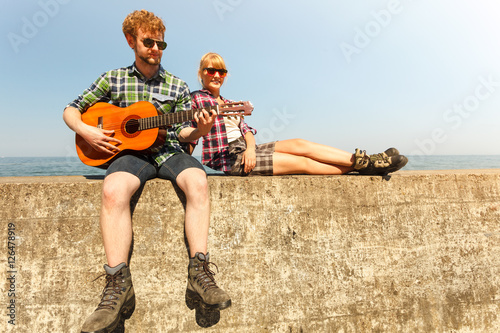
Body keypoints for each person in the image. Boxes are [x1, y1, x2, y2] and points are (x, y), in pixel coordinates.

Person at [63, 11, 230, 333]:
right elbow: (71, 109)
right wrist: (86, 131)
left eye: (160, 42)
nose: (156, 48)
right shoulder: (112, 79)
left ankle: (200, 273)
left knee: (198, 181)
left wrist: (200, 130)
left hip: (168, 152)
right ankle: (116, 285)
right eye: (148, 41)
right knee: (113, 191)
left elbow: (184, 134)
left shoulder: (177, 85)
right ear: (131, 41)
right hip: (130, 154)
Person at [190, 52, 408, 177]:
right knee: (302, 163)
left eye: (221, 71)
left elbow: (246, 130)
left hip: (246, 150)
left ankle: (365, 160)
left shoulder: (229, 104)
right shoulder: (195, 99)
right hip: (229, 159)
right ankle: (368, 167)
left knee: (301, 144)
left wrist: (250, 149)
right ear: (202, 73)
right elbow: (187, 134)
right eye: (211, 71)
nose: (216, 75)